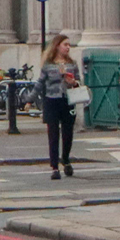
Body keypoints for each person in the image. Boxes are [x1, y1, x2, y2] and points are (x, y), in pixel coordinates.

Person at [36, 33, 83, 178]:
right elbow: (40, 82)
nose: (68, 48)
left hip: (67, 100)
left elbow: (79, 82)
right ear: (57, 46)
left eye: (69, 45)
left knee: (68, 133)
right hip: (52, 100)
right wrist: (30, 98)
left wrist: (73, 82)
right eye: (65, 45)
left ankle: (66, 158)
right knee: (53, 133)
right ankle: (54, 166)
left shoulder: (72, 64)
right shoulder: (48, 65)